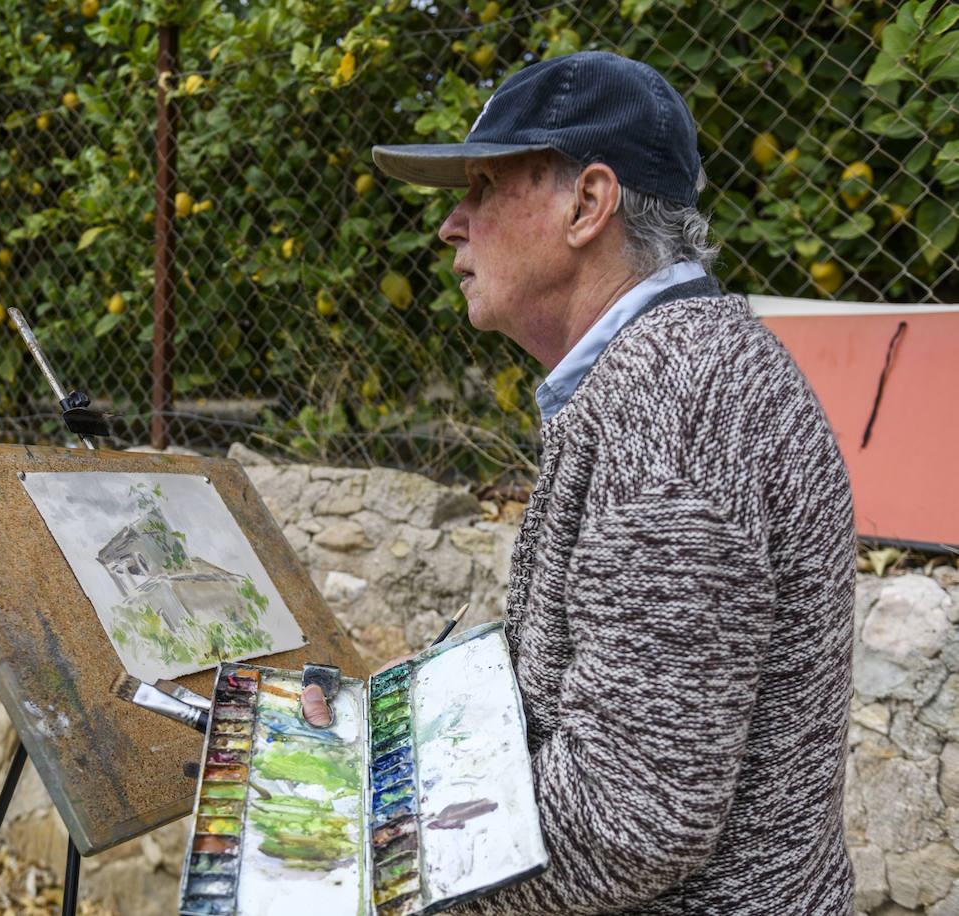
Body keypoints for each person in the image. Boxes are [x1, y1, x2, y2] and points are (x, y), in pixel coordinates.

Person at [302, 51, 856, 913]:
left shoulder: (674, 408)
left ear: (588, 205)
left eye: (482, 187)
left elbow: (631, 820)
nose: (452, 224)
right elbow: (605, 688)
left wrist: (363, 858)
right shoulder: (673, 371)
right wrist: (416, 727)